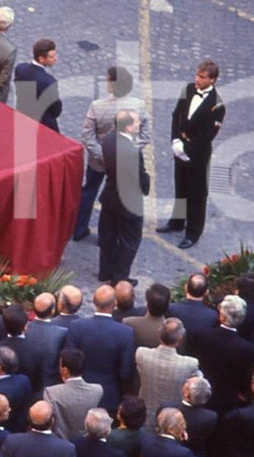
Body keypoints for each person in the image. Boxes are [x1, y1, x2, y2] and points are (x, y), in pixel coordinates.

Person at [73, 66, 150, 242]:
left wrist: (103, 155)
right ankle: (106, 237)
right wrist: (126, 152)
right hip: (124, 164)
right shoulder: (139, 106)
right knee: (114, 196)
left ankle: (79, 229)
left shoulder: (97, 106)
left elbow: (87, 135)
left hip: (98, 161)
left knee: (90, 190)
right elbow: (145, 136)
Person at [156, 61, 225, 249]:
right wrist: (175, 140)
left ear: (212, 80)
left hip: (197, 155)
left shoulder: (217, 105)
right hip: (180, 147)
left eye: (202, 77)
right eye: (197, 75)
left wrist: (187, 149)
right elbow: (176, 115)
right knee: (181, 187)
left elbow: (207, 135)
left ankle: (193, 232)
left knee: (197, 194)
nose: (197, 79)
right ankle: (177, 222)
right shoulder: (188, 89)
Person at [97, 111, 150, 290]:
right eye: (136, 122)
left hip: (111, 197)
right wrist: (146, 185)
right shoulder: (132, 151)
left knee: (108, 236)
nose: (139, 124)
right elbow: (140, 178)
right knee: (130, 241)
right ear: (128, 127)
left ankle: (105, 271)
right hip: (129, 204)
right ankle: (119, 278)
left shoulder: (108, 140)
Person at [13, 39, 61, 131]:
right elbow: (56, 108)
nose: (56, 58)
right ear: (41, 59)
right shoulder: (48, 82)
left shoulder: (21, 68)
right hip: (43, 121)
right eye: (52, 57)